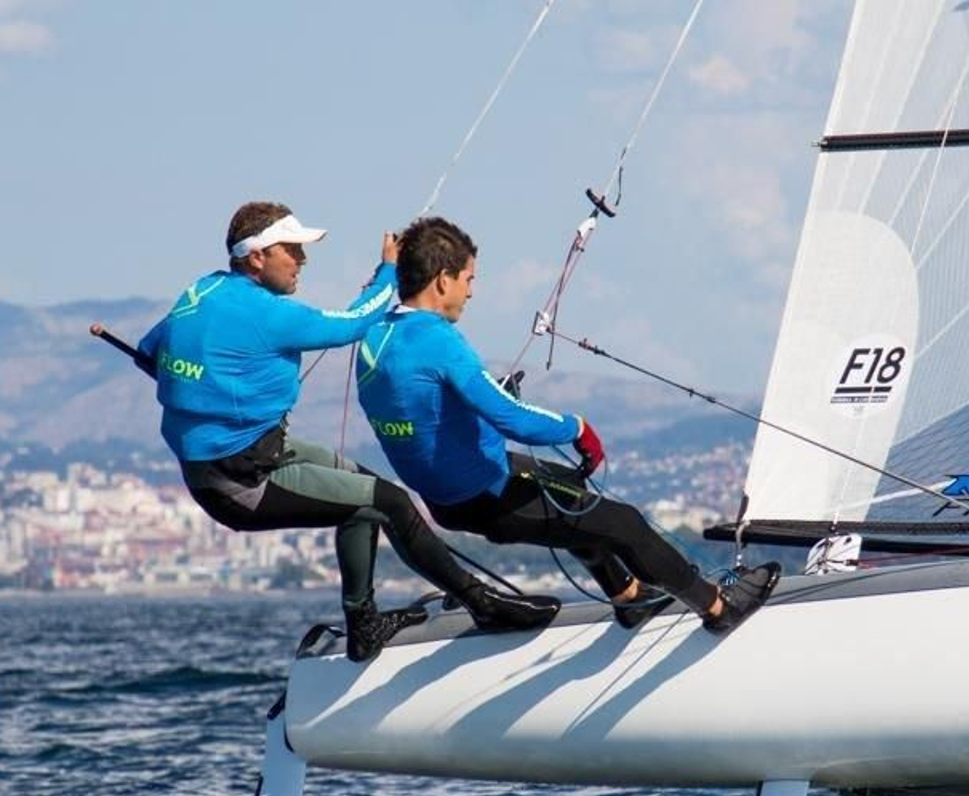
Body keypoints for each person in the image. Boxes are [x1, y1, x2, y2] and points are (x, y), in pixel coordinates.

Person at [134, 201, 558, 661]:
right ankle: (483, 606)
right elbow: (353, 324)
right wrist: (388, 271)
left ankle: (364, 624)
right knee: (387, 503)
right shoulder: (268, 314)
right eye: (291, 250)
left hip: (251, 454)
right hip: (240, 483)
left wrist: (208, 384)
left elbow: (147, 352)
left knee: (368, 490)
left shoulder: (201, 292)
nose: (302, 260)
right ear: (257, 257)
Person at [354, 216, 779, 633]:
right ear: (443, 280)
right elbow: (511, 418)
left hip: (452, 497)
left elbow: (426, 403)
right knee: (625, 524)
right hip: (487, 494)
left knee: (571, 490)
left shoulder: (374, 335)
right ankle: (719, 608)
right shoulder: (438, 341)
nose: (472, 291)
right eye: (469, 278)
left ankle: (629, 598)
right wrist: (577, 428)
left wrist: (389, 268)